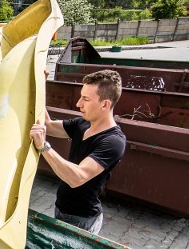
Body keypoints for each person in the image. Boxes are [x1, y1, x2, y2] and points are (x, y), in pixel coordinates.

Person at [29, 69, 126, 234]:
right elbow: (48, 124)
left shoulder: (113, 142)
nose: (78, 104)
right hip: (62, 208)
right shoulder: (83, 123)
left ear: (105, 104)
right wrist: (39, 85)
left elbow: (77, 177)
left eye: (86, 99)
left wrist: (43, 147)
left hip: (83, 220)